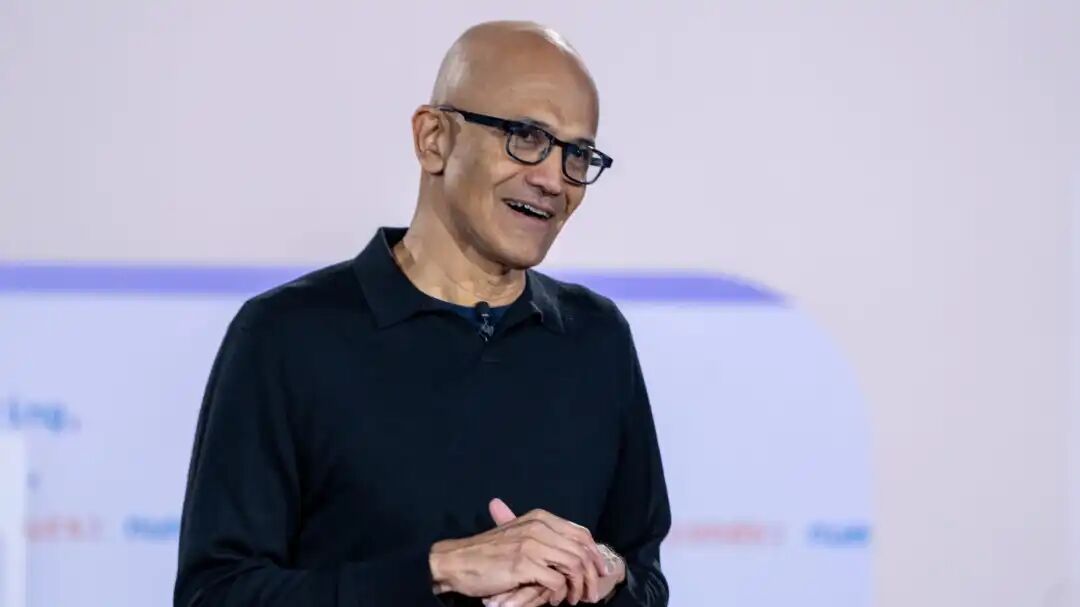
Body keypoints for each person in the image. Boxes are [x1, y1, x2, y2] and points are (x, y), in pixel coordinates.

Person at [174, 20, 670, 607]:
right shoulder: (287, 336)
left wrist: (604, 573)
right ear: (433, 138)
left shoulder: (597, 339)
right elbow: (215, 594)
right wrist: (440, 569)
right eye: (527, 136)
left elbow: (643, 576)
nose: (552, 178)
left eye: (577, 153)